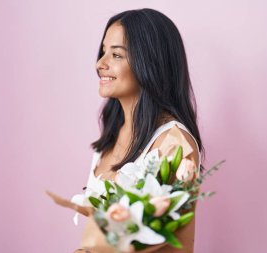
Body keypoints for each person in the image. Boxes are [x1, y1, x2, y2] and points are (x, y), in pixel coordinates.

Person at [74, 8, 205, 253]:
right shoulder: (109, 139)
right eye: (103, 52)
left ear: (149, 62)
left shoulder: (174, 143)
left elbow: (169, 243)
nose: (100, 64)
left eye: (116, 55)